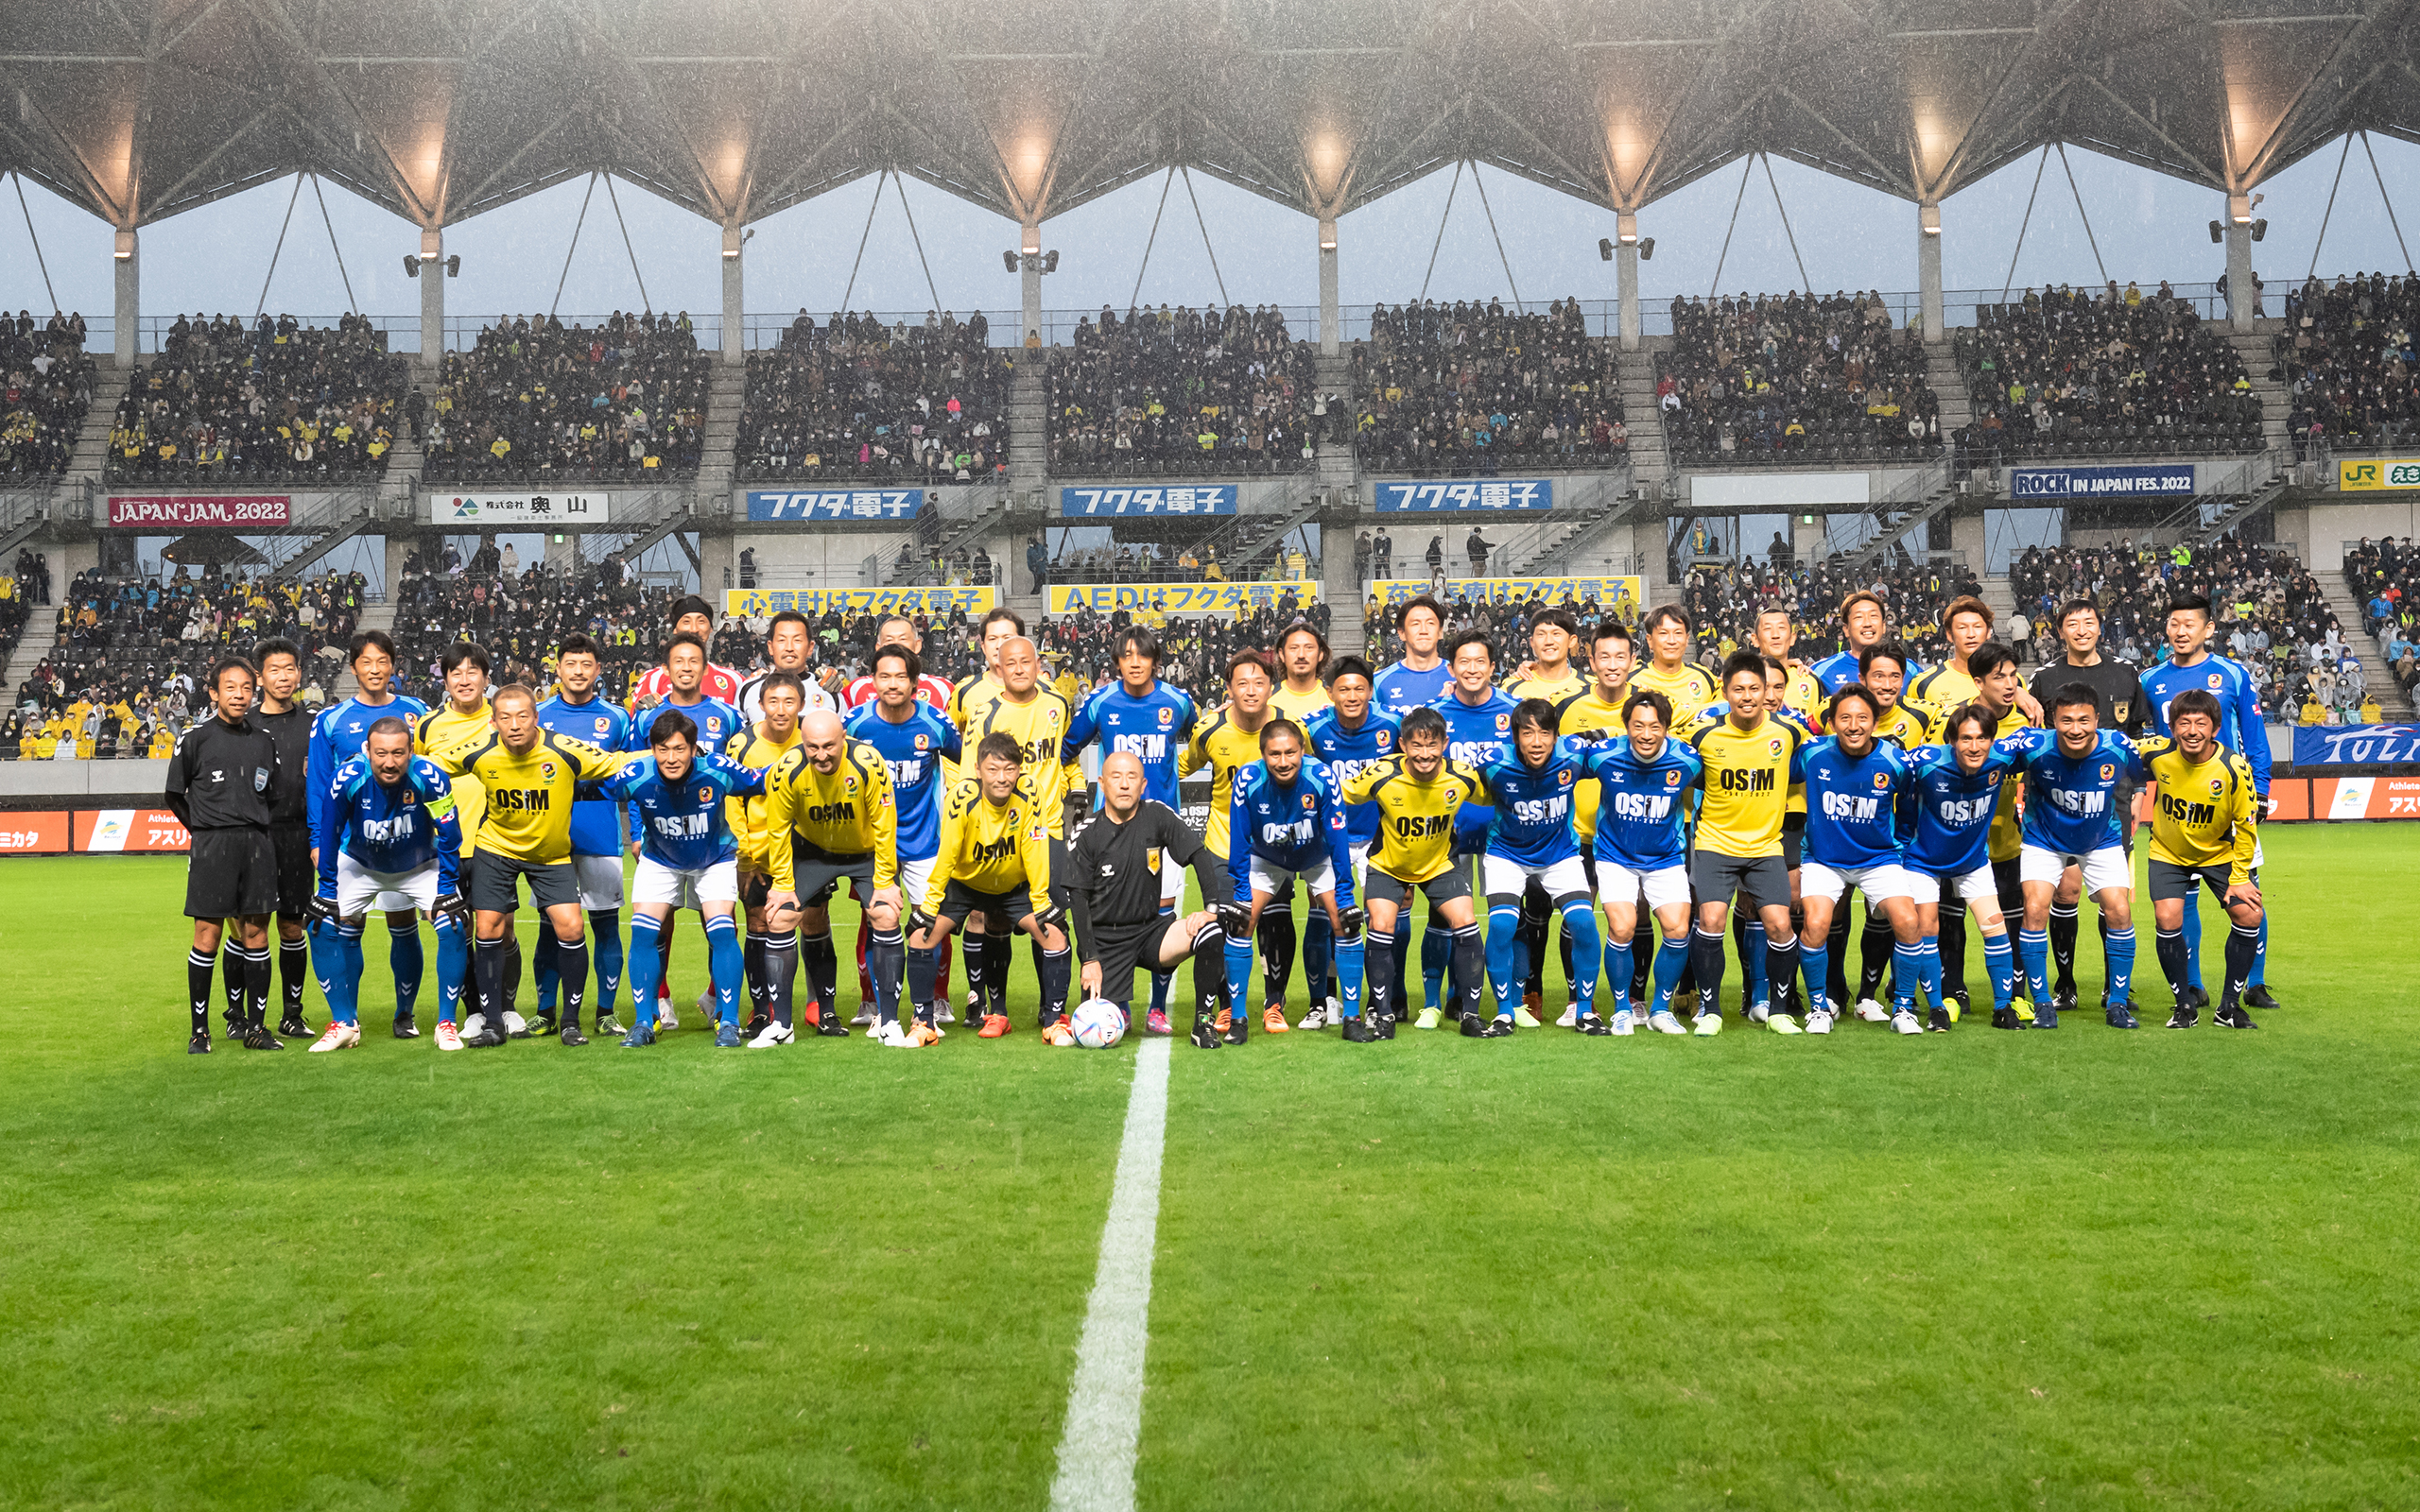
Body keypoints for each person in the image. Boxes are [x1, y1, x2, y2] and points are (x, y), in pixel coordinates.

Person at [421, 685, 631, 1047]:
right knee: (487, 928)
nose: (514, 724)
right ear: (494, 721)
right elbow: (429, 764)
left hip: (550, 854)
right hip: (495, 848)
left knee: (571, 926)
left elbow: (617, 761)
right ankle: (492, 1024)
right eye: (505, 717)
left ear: (536, 717)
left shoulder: (564, 749)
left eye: (522, 716)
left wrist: (677, 753)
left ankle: (569, 1022)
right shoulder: (480, 751)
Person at [2138, 592, 2277, 1010]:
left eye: (2190, 624)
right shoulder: (2150, 680)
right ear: (2166, 629)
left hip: (2229, 800)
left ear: (2208, 629)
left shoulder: (2232, 674)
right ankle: (2194, 983)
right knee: (2185, 897)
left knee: (2247, 892)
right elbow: (2148, 746)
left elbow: (2254, 737)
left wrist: (2263, 791)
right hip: (2180, 807)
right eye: (2174, 624)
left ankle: (2255, 982)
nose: (2181, 631)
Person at [1060, 626, 1198, 1035]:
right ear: (1117, 661)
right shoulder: (1101, 702)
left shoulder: (1177, 702)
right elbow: (1068, 748)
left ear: (1155, 660)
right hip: (1111, 831)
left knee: (1164, 916)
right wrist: (1077, 793)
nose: (1135, 663)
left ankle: (1157, 1008)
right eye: (1127, 655)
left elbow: (1190, 739)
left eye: (1143, 655)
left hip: (1161, 829)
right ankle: (1115, 1002)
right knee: (1109, 914)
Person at [602, 710, 769, 1048]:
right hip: (660, 859)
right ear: (652, 749)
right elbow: (593, 785)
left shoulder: (719, 770)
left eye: (679, 749)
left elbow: (762, 780)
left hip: (714, 857)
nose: (671, 758)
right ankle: (643, 1023)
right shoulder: (636, 775)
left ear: (694, 749)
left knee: (722, 930)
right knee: (643, 932)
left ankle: (729, 1023)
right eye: (662, 749)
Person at [305, 718, 467, 1051]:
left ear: (411, 752)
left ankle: (446, 1024)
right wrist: (326, 890)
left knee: (452, 924)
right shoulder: (347, 777)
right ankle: (344, 1023)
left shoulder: (430, 776)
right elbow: (330, 835)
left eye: (397, 753)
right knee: (319, 923)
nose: (389, 762)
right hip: (362, 864)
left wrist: (448, 887)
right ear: (368, 750)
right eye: (381, 753)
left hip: (418, 865)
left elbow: (450, 835)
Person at [1996, 687, 2152, 1028]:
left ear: (2097, 719)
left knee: (2120, 910)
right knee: (2035, 908)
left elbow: (2141, 777)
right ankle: (2041, 1004)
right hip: (2044, 839)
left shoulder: (2118, 747)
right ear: (2054, 720)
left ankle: (2118, 1003)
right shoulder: (2033, 746)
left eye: (2084, 720)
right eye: (2066, 720)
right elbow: (1986, 756)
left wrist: (2139, 796)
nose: (2076, 729)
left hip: (2101, 839)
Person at [907, 731, 1072, 1045]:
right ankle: (924, 1023)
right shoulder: (961, 796)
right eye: (993, 769)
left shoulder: (1030, 792)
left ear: (1019, 770)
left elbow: (1035, 846)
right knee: (921, 935)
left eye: (1009, 769)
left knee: (1054, 934)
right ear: (978, 769)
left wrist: (1040, 900)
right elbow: (948, 852)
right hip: (966, 884)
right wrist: (928, 906)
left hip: (1012, 885)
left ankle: (1053, 1022)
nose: (1002, 778)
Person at [2024, 598, 2145, 1013]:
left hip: (2113, 800)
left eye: (2088, 622)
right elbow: (2032, 742)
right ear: (2060, 631)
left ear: (2100, 627)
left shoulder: (2126, 673)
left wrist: (2140, 794)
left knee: (2114, 899)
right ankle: (2064, 983)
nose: (2081, 630)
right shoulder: (2044, 677)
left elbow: (2139, 739)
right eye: (2072, 624)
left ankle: (2116, 988)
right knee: (2067, 890)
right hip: (2057, 801)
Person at [307, 630, 432, 1030]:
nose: (375, 669)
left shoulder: (418, 711)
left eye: (382, 661)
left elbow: (430, 776)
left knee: (403, 925)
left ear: (393, 665)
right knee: (346, 927)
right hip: (351, 847)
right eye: (366, 662)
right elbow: (319, 785)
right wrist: (316, 841)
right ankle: (349, 1016)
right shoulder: (331, 720)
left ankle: (405, 1014)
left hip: (408, 843)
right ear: (353, 667)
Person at [1679, 651, 1808, 1035]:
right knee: (1712, 920)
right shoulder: (1703, 733)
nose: (1748, 696)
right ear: (1725, 690)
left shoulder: (1788, 731)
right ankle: (1711, 1010)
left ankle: (1779, 1010)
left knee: (1780, 925)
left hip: (1765, 847)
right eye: (1739, 689)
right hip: (1715, 843)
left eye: (1755, 688)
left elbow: (1824, 742)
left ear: (1767, 689)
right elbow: (1671, 756)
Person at [1339, 706, 1489, 1032]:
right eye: (1416, 746)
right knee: (1381, 926)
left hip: (1439, 865)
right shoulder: (1381, 774)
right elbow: (1339, 793)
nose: (1424, 754)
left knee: (1467, 924)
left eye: (1432, 745)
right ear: (1403, 746)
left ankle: (1471, 1015)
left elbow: (1494, 794)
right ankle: (1384, 1014)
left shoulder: (1462, 776)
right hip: (1388, 866)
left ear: (1445, 744)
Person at [758, 710, 905, 1042]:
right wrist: (782, 885)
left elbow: (885, 824)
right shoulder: (786, 771)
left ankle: (890, 1022)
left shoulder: (869, 763)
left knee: (885, 912)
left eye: (828, 746)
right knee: (780, 918)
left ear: (844, 739)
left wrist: (884, 881)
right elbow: (778, 830)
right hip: (814, 851)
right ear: (802, 742)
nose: (821, 755)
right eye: (812, 747)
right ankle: (781, 1026)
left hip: (863, 851)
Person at [1217, 718, 1366, 1044]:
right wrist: (1242, 893)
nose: (1283, 762)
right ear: (1262, 754)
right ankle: (1239, 1018)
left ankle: (1352, 1018)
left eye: (1290, 753)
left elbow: (1338, 837)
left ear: (1302, 751)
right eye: (1274, 754)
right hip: (1267, 858)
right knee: (1241, 923)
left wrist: (1345, 893)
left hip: (1316, 856)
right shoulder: (1248, 779)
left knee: (1346, 923)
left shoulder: (1323, 778)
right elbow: (1239, 841)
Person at [166, 655, 288, 1053]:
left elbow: (269, 793)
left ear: (254, 693)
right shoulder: (196, 737)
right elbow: (173, 794)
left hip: (256, 845)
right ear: (214, 691)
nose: (239, 695)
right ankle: (199, 1032)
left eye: (246, 688)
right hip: (212, 846)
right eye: (230, 688)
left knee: (256, 933)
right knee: (208, 935)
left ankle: (256, 1028)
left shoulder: (263, 740)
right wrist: (204, 831)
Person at [1789, 684, 1925, 1034]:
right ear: (1832, 722)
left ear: (1875, 721)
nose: (1854, 725)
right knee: (1816, 924)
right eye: (1845, 718)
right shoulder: (1812, 755)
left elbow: (1908, 807)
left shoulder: (1895, 761)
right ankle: (1819, 1007)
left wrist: (1901, 844)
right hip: (1824, 860)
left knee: (1909, 922)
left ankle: (1904, 1008)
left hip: (1879, 859)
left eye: (1862, 717)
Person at [627, 632, 745, 1027]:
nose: (686, 668)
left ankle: (717, 1000)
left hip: (711, 840)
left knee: (718, 925)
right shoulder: (646, 717)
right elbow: (634, 778)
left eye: (694, 661)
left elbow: (740, 776)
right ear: (666, 669)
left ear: (704, 667)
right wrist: (638, 832)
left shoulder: (726, 714)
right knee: (654, 924)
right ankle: (658, 1004)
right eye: (679, 661)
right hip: (661, 840)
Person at [845, 649, 963, 1036]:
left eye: (900, 677)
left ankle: (926, 1007)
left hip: (924, 840)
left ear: (914, 683)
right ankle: (882, 1007)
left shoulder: (934, 722)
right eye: (884, 676)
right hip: (873, 842)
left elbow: (969, 759)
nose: (892, 684)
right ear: (873, 681)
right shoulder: (857, 724)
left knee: (928, 924)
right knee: (878, 919)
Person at [1067, 751, 1228, 1036]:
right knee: (1099, 1028)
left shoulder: (1157, 814)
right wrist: (1090, 958)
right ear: (1102, 784)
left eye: (1132, 778)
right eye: (1116, 777)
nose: (1125, 784)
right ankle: (1119, 1005)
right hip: (1106, 940)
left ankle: (1202, 1025)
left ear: (1143, 785)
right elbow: (1078, 901)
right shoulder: (1087, 833)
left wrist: (1210, 909)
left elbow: (1198, 855)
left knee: (1211, 933)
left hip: (1151, 931)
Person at [1466, 699, 1600, 1037]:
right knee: (1501, 926)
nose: (1537, 742)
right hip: (1506, 853)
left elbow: (1614, 739)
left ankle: (1584, 1011)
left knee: (1583, 922)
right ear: (1515, 737)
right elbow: (1453, 773)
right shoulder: (1494, 762)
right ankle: (1504, 1012)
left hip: (1559, 854)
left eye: (1545, 733)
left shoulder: (1573, 753)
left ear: (1556, 736)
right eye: (1527, 733)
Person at [1572, 690, 1701, 1034]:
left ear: (1667, 728)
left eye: (1655, 726)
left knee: (1677, 928)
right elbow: (1560, 759)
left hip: (1665, 857)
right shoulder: (1603, 756)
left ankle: (1660, 1009)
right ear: (1626, 726)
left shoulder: (1688, 760)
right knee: (1623, 927)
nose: (1646, 734)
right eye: (1637, 726)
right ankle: (1621, 1009)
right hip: (1615, 857)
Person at [2136, 688, 2264, 1029]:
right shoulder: (2155, 752)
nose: (2192, 731)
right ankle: (2183, 1006)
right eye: (2184, 723)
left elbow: (2246, 827)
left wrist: (2239, 877)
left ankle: (2228, 1007)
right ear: (2172, 728)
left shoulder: (2233, 768)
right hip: (2168, 852)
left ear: (2215, 729)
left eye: (2200, 723)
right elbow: (2113, 747)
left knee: (2250, 915)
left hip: (2218, 853)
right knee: (2167, 917)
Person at [532, 632, 634, 1037]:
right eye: (570, 664)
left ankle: (605, 1011)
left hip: (600, 837)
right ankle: (546, 1009)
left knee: (606, 926)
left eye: (586, 664)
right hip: (549, 838)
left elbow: (628, 777)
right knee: (549, 927)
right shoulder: (538, 715)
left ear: (598, 670)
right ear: (557, 669)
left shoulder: (617, 718)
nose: (578, 671)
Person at [1902, 703, 2026, 1030]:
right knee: (1927, 928)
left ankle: (2003, 1007)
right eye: (1966, 739)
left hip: (1972, 861)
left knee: (1995, 925)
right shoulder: (1926, 763)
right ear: (1953, 741)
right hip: (1922, 860)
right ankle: (1936, 1008)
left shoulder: (2001, 760)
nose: (1975, 747)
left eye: (1982, 738)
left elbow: (2041, 740)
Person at [1425, 628, 1521, 1023]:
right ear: (1451, 667)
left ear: (1493, 667)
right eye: (1463, 661)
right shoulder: (1436, 714)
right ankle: (1440, 998)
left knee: (1506, 919)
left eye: (1480, 661)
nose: (1472, 668)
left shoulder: (1515, 711)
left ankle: (1510, 1000)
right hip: (1449, 835)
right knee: (1444, 919)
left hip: (1504, 835)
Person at [1180, 649, 1279, 1022]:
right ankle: (1225, 1005)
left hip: (1275, 847)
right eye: (1242, 684)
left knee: (1273, 923)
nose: (1251, 691)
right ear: (1229, 689)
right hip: (1223, 844)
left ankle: (1274, 1004)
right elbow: (1182, 768)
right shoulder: (1210, 730)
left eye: (1259, 683)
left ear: (1272, 687)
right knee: (1226, 924)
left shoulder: (1290, 727)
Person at [414, 643, 498, 1035]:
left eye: (472, 671)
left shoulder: (500, 720)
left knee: (499, 927)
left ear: (485, 677)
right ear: (445, 680)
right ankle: (475, 1011)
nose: (465, 679)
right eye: (456, 673)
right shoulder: (428, 726)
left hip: (493, 844)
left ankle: (503, 1007)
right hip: (442, 848)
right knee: (455, 931)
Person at [729, 670, 807, 1035]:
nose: (781, 709)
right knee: (758, 925)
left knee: (813, 923)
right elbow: (734, 802)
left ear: (801, 706)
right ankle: (763, 1011)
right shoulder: (742, 744)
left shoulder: (812, 739)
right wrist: (746, 858)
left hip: (805, 853)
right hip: (759, 858)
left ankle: (820, 1008)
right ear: (760, 705)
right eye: (773, 701)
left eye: (789, 701)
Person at [248, 637, 318, 1041]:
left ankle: (292, 1014)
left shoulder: (313, 724)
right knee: (249, 928)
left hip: (297, 835)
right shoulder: (245, 724)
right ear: (260, 677)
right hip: (255, 837)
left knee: (293, 927)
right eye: (274, 670)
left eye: (289, 668)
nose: (284, 677)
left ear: (300, 673)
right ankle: (240, 1014)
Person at [628, 594, 743, 709]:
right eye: (686, 622)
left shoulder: (734, 680)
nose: (694, 629)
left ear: (711, 629)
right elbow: (638, 723)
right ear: (675, 629)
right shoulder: (653, 679)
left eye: (701, 621)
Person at [739, 609, 840, 722]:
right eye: (782, 640)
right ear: (770, 647)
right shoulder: (748, 689)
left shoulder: (829, 689)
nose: (789, 648)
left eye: (797, 640)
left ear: (810, 647)